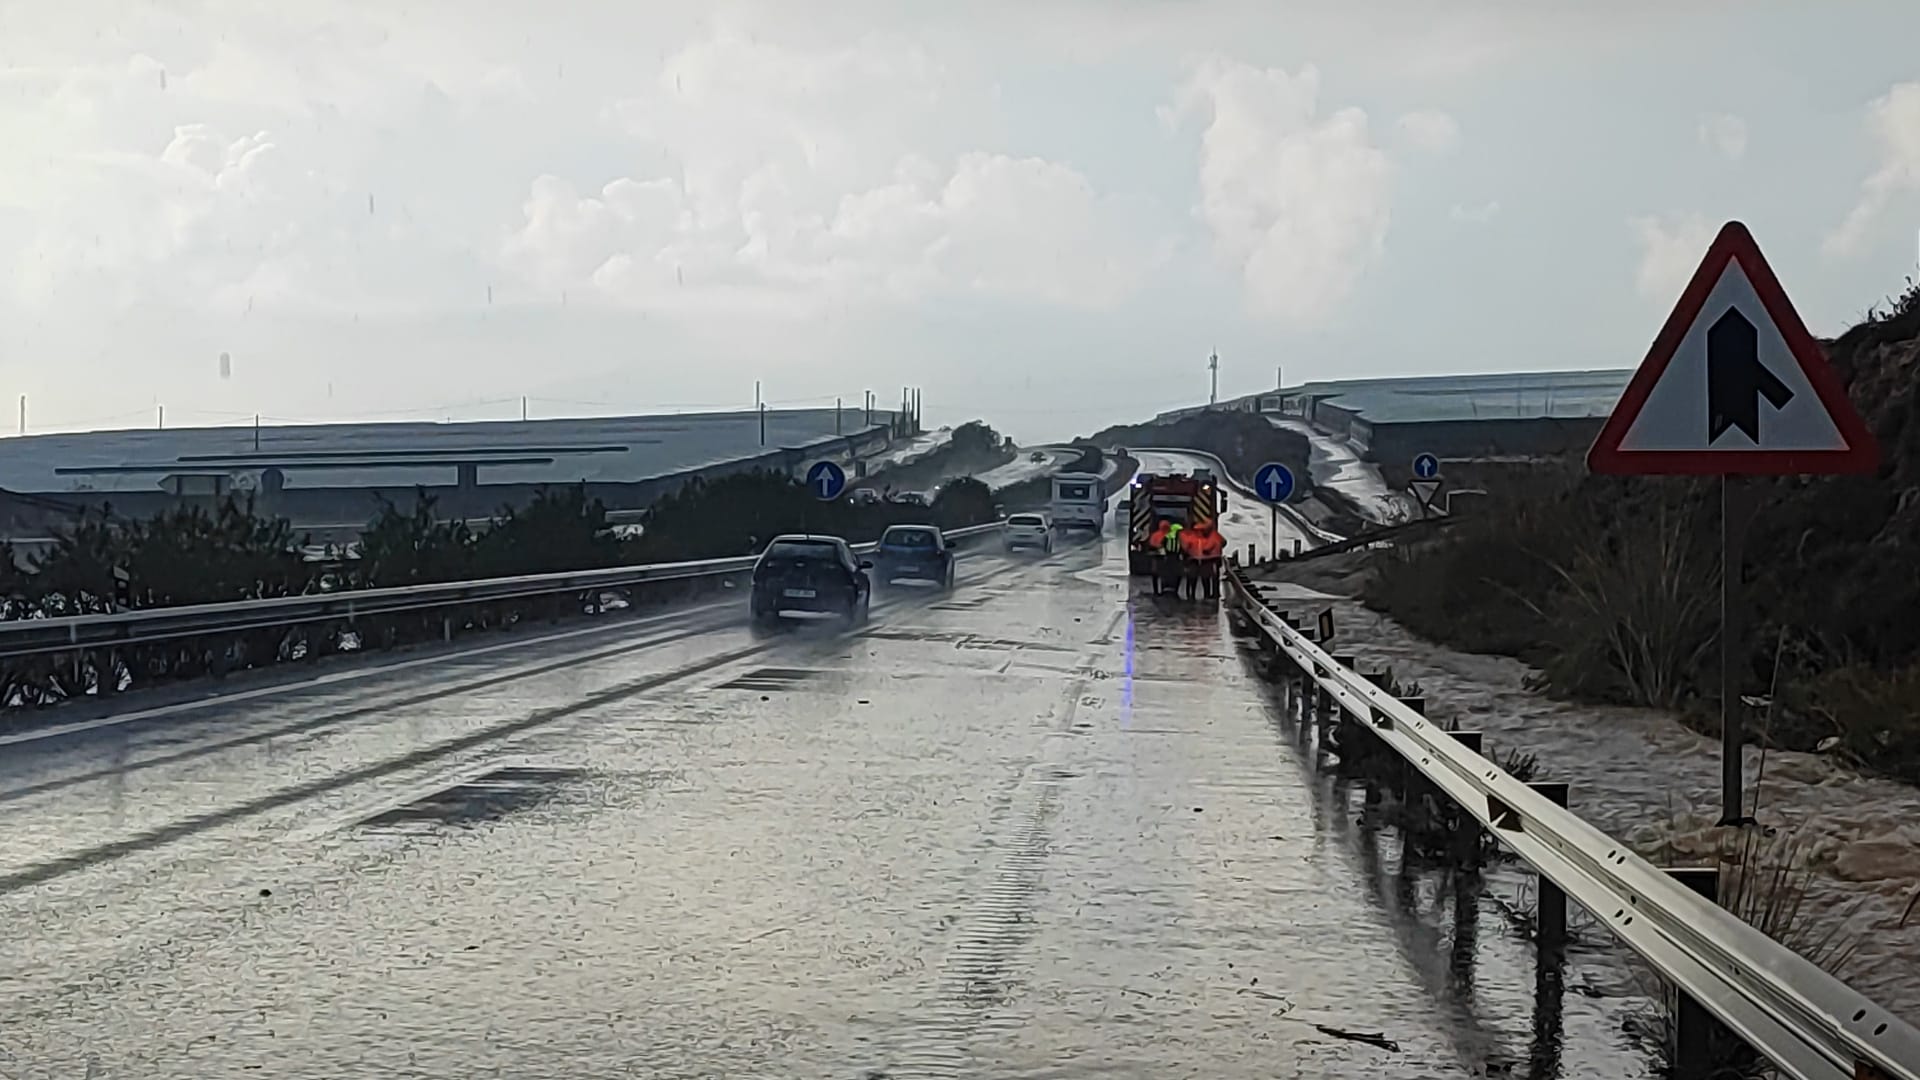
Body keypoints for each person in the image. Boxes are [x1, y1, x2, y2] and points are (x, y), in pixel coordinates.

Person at [1179, 520, 1206, 599]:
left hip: (1193, 559)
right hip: (1195, 559)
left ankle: (1190, 594)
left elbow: (1186, 548)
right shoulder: (1200, 538)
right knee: (1193, 578)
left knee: (1191, 578)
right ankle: (1192, 594)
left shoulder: (1189, 537)